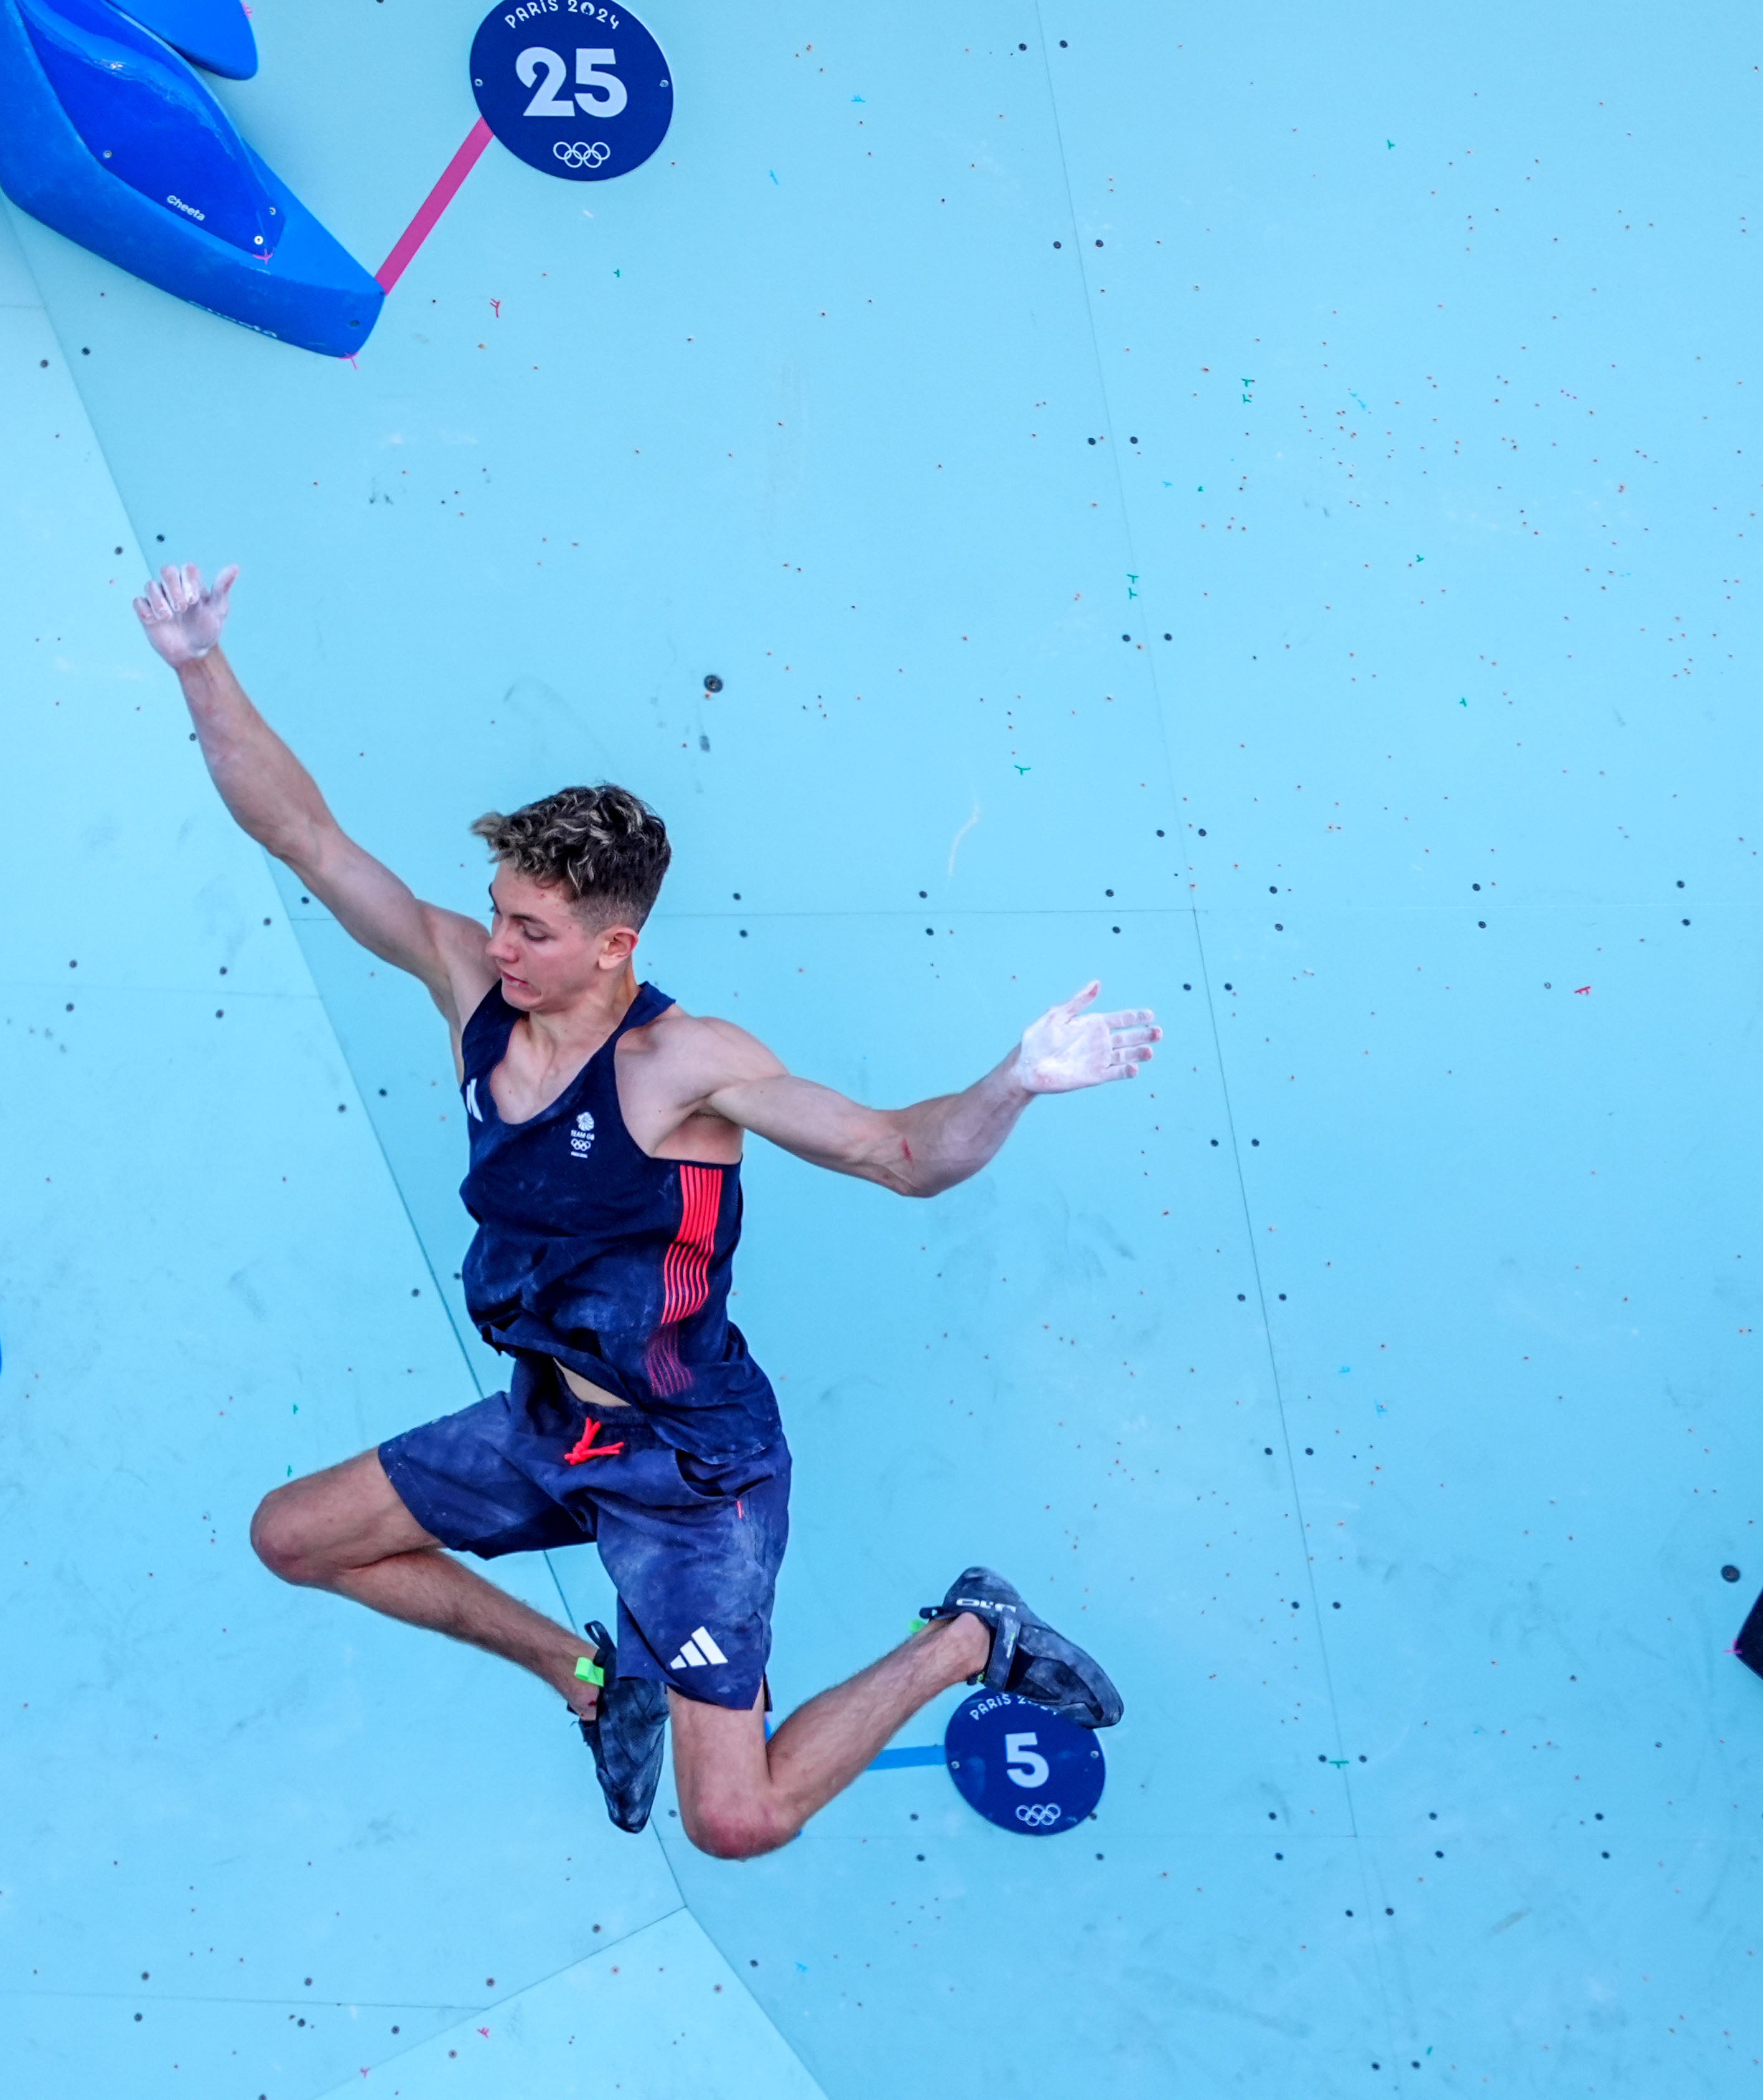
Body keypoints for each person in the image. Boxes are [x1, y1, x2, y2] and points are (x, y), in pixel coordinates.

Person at [133, 562, 1154, 1858]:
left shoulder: (688, 1070)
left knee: (737, 1817)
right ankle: (594, 1677)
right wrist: (197, 663)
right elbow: (306, 837)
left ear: (615, 943)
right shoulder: (472, 987)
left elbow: (901, 1154)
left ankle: (971, 1633)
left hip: (688, 1470)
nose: (498, 944)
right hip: (550, 1419)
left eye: (534, 930)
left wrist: (1015, 1079)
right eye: (499, 913)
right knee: (297, 1535)